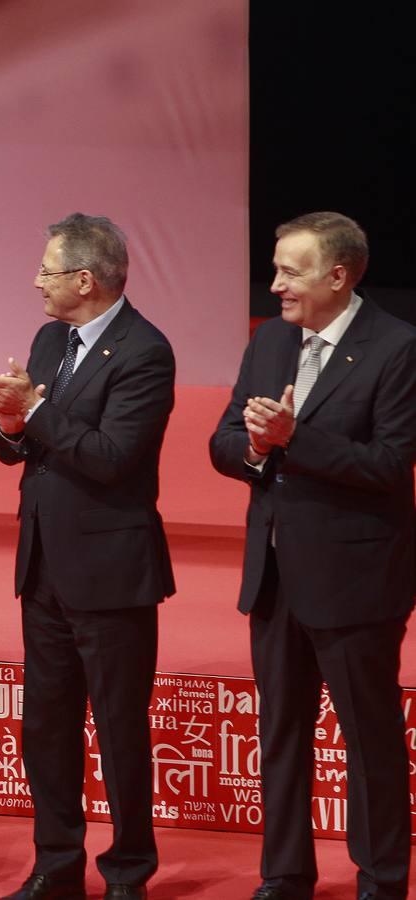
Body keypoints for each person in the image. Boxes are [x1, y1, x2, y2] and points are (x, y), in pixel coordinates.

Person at [209, 212, 415, 900]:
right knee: (282, 733)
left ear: (338, 274)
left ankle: (381, 880)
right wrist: (258, 447)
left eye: (288, 272)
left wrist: (295, 438)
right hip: (274, 577)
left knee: (370, 739)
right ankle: (285, 874)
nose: (275, 286)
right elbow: (224, 439)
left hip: (356, 580)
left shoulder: (397, 348)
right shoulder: (270, 343)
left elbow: (389, 466)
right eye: (274, 269)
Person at [0, 213, 175, 900]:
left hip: (113, 573)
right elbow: (26, 443)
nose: (37, 282)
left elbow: (114, 459)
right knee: (46, 727)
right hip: (44, 567)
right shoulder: (50, 338)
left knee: (119, 731)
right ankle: (56, 865)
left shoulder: (146, 351)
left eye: (48, 271)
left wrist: (34, 411)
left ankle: (127, 875)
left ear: (85, 279)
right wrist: (9, 422)